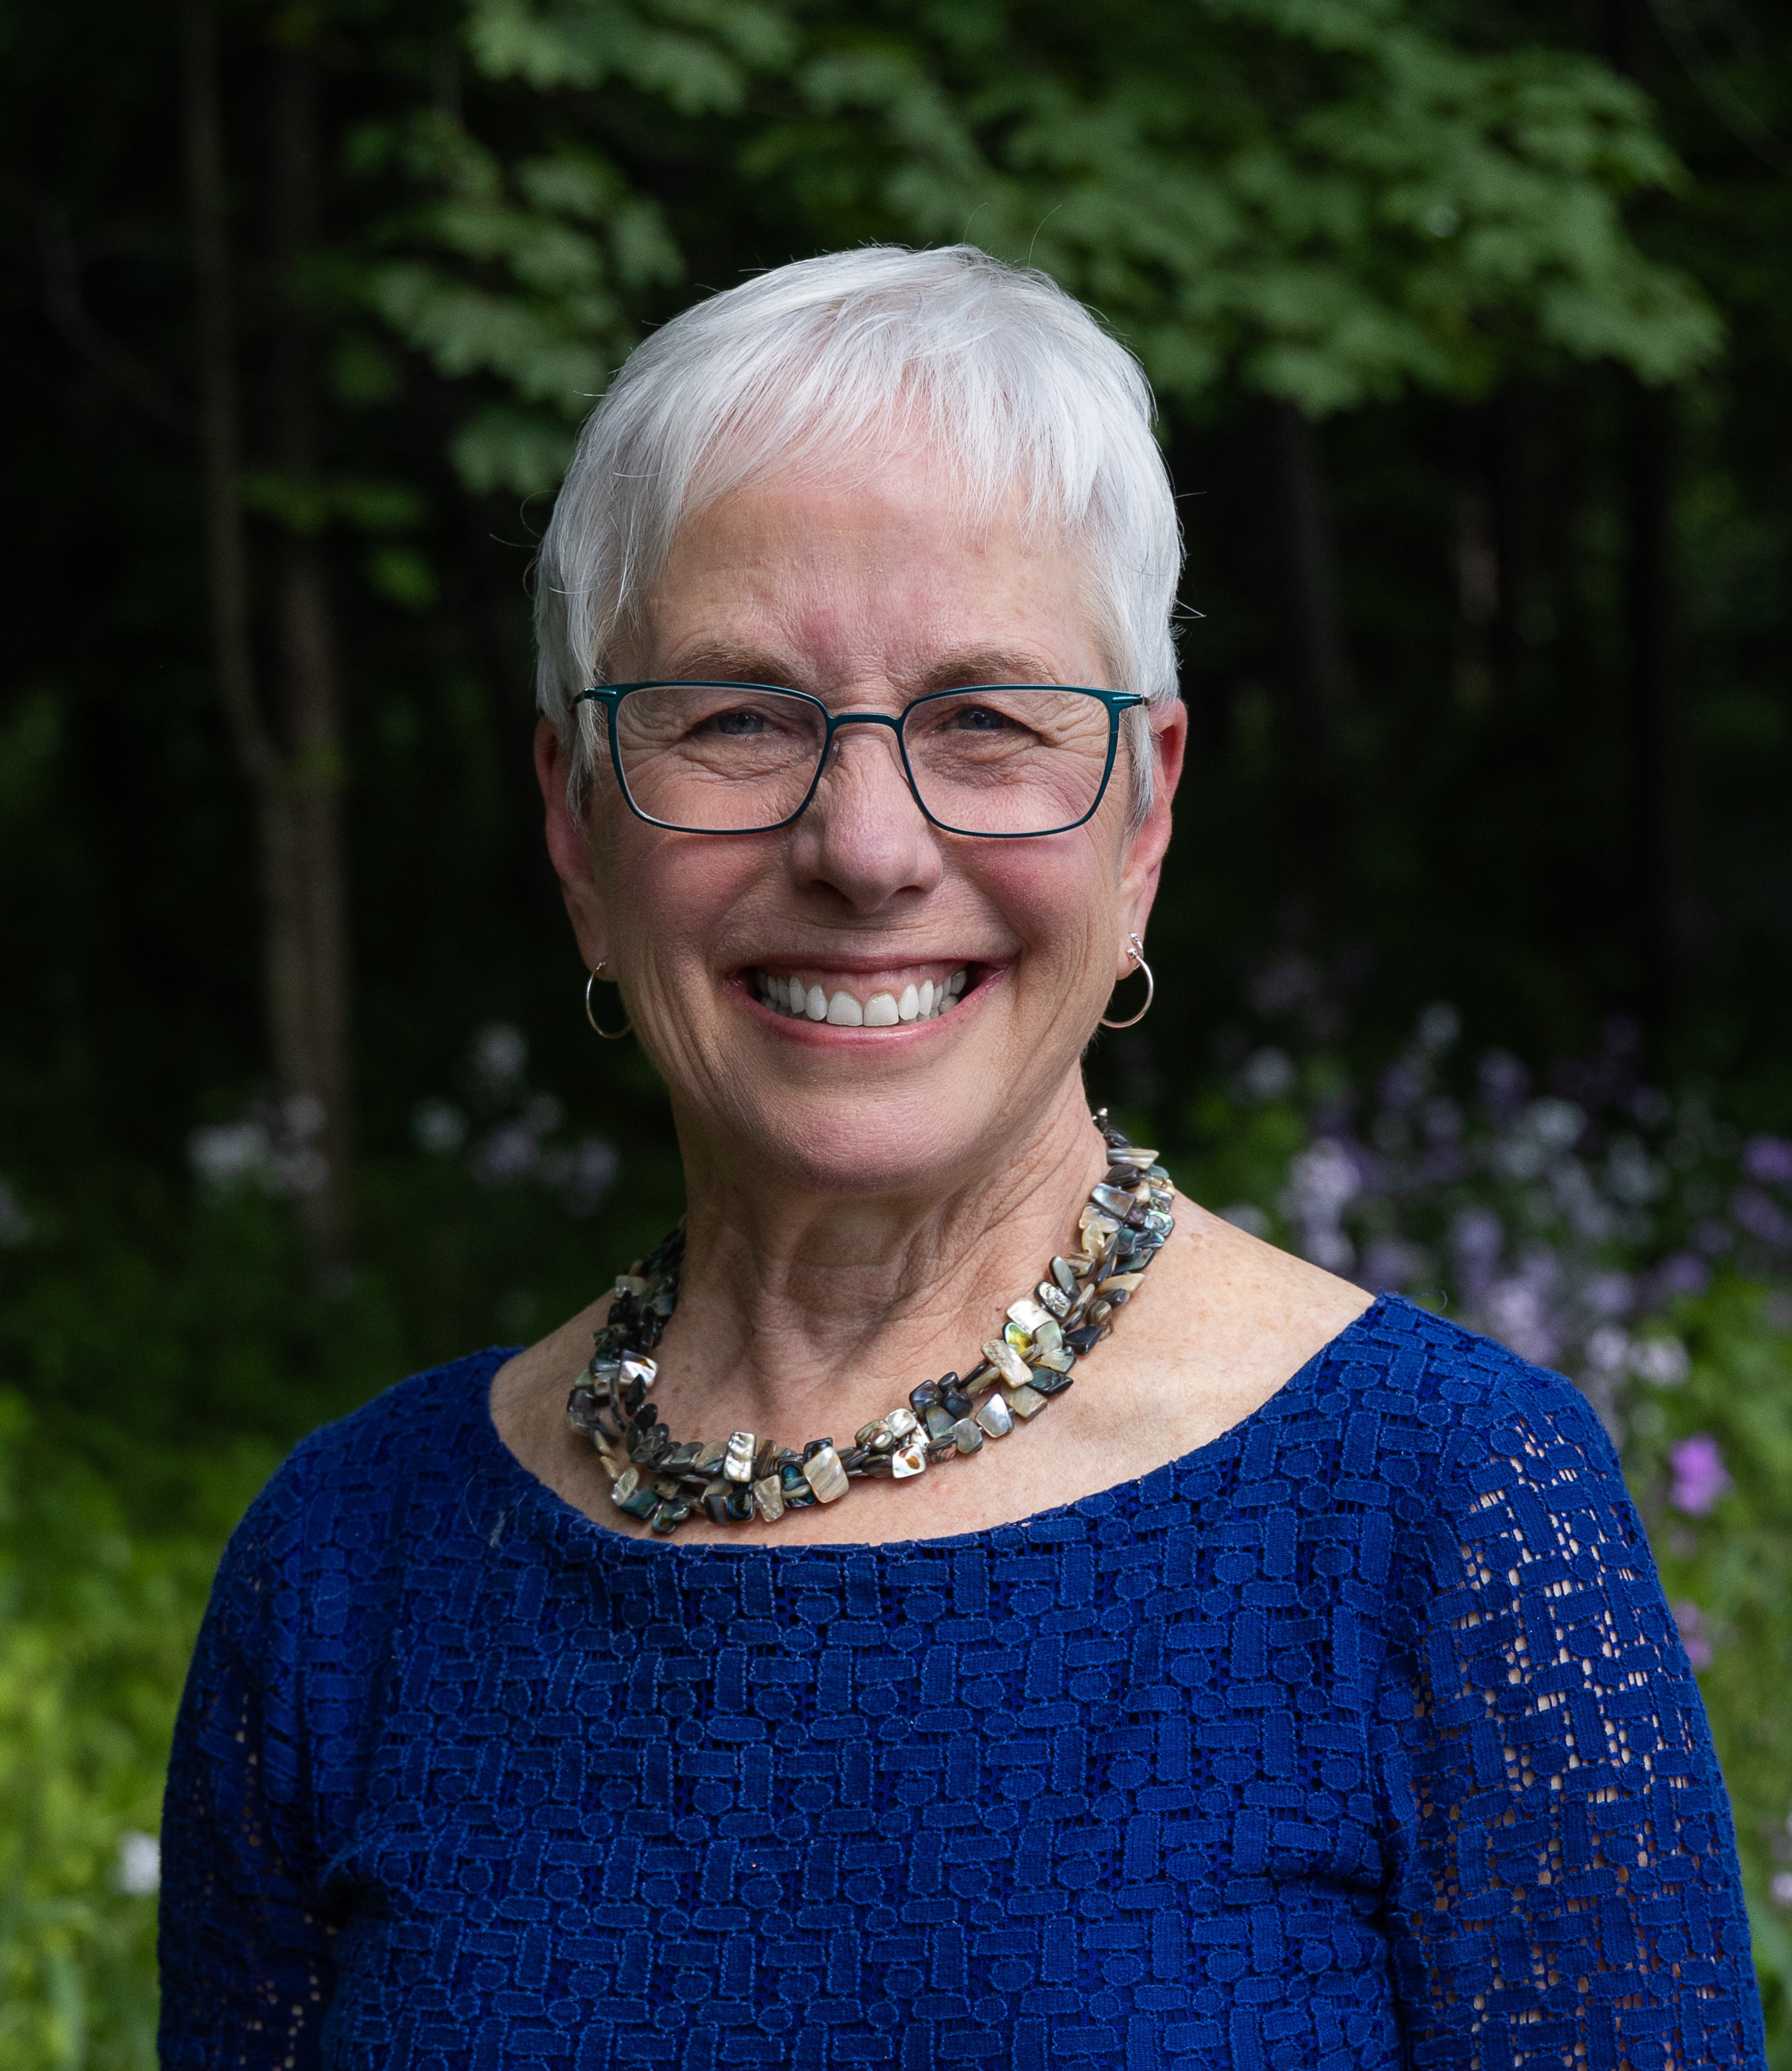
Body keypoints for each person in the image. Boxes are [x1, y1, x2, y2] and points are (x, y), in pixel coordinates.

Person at [159, 247, 1764, 2070]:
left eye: (985, 720)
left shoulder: (1449, 1520)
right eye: (737, 716)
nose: (863, 844)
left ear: (1145, 812)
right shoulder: (347, 1571)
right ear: (575, 817)